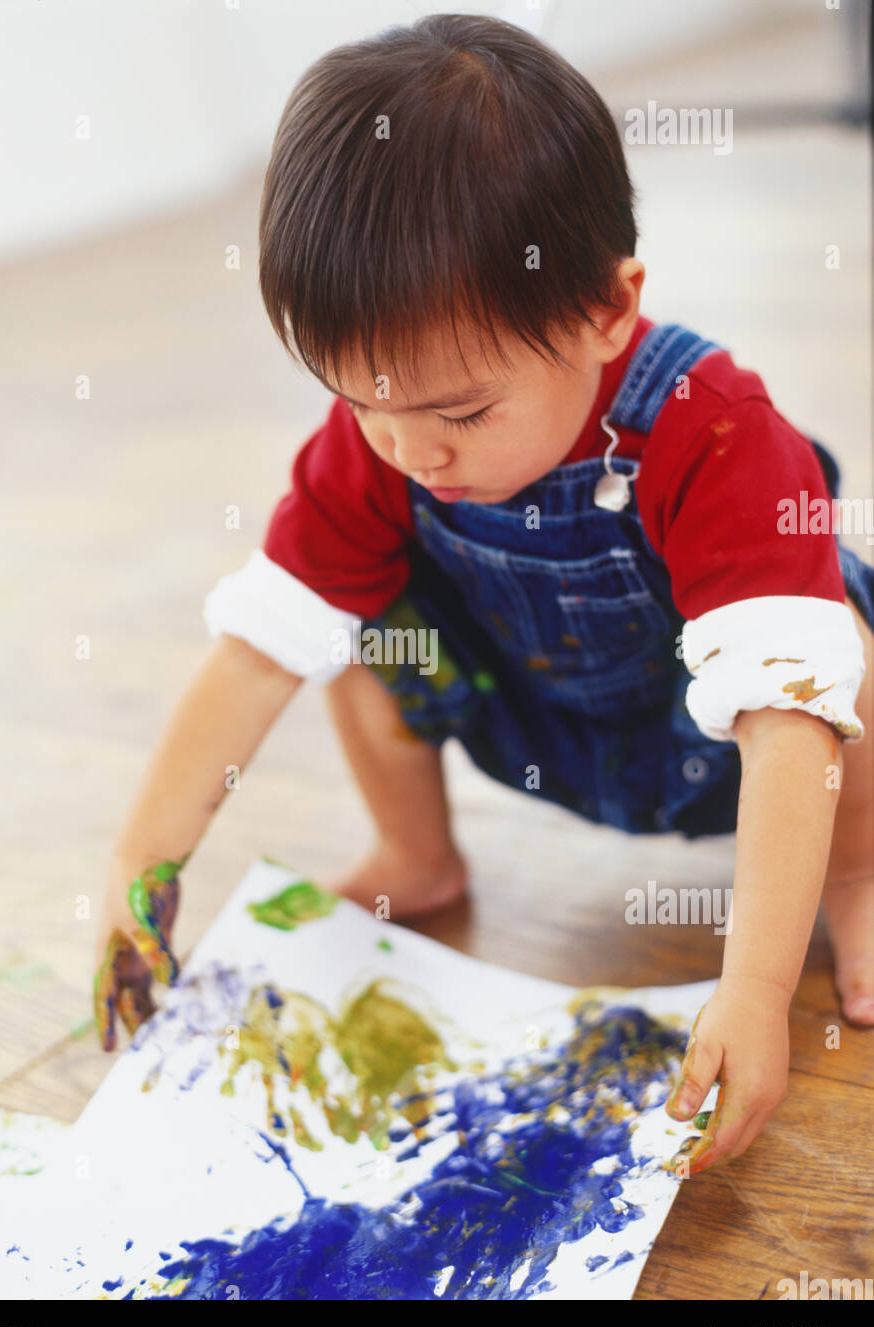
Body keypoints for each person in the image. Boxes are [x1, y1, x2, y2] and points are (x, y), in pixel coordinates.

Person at [93, 15, 873, 1176]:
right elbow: (257, 656)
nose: (413, 452)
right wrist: (135, 872)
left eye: (459, 413)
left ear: (608, 309)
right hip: (536, 721)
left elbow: (785, 718)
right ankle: (416, 855)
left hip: (721, 741)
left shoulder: (710, 430)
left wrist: (753, 987)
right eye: (363, 402)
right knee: (351, 623)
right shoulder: (382, 444)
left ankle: (858, 872)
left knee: (839, 654)